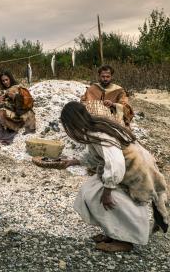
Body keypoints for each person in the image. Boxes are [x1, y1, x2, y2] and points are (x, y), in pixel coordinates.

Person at [60, 101, 168, 252]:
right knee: (90, 190)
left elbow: (116, 162)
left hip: (135, 171)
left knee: (109, 199)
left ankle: (125, 241)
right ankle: (114, 233)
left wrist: (108, 190)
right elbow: (97, 155)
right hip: (130, 167)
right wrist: (74, 161)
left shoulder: (98, 132)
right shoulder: (93, 128)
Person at [0, 71, 36, 144]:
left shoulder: (19, 88)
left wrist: (15, 97)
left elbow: (28, 101)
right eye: (3, 81)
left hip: (15, 113)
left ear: (10, 79)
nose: (5, 82)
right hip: (4, 109)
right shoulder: (1, 91)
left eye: (6, 80)